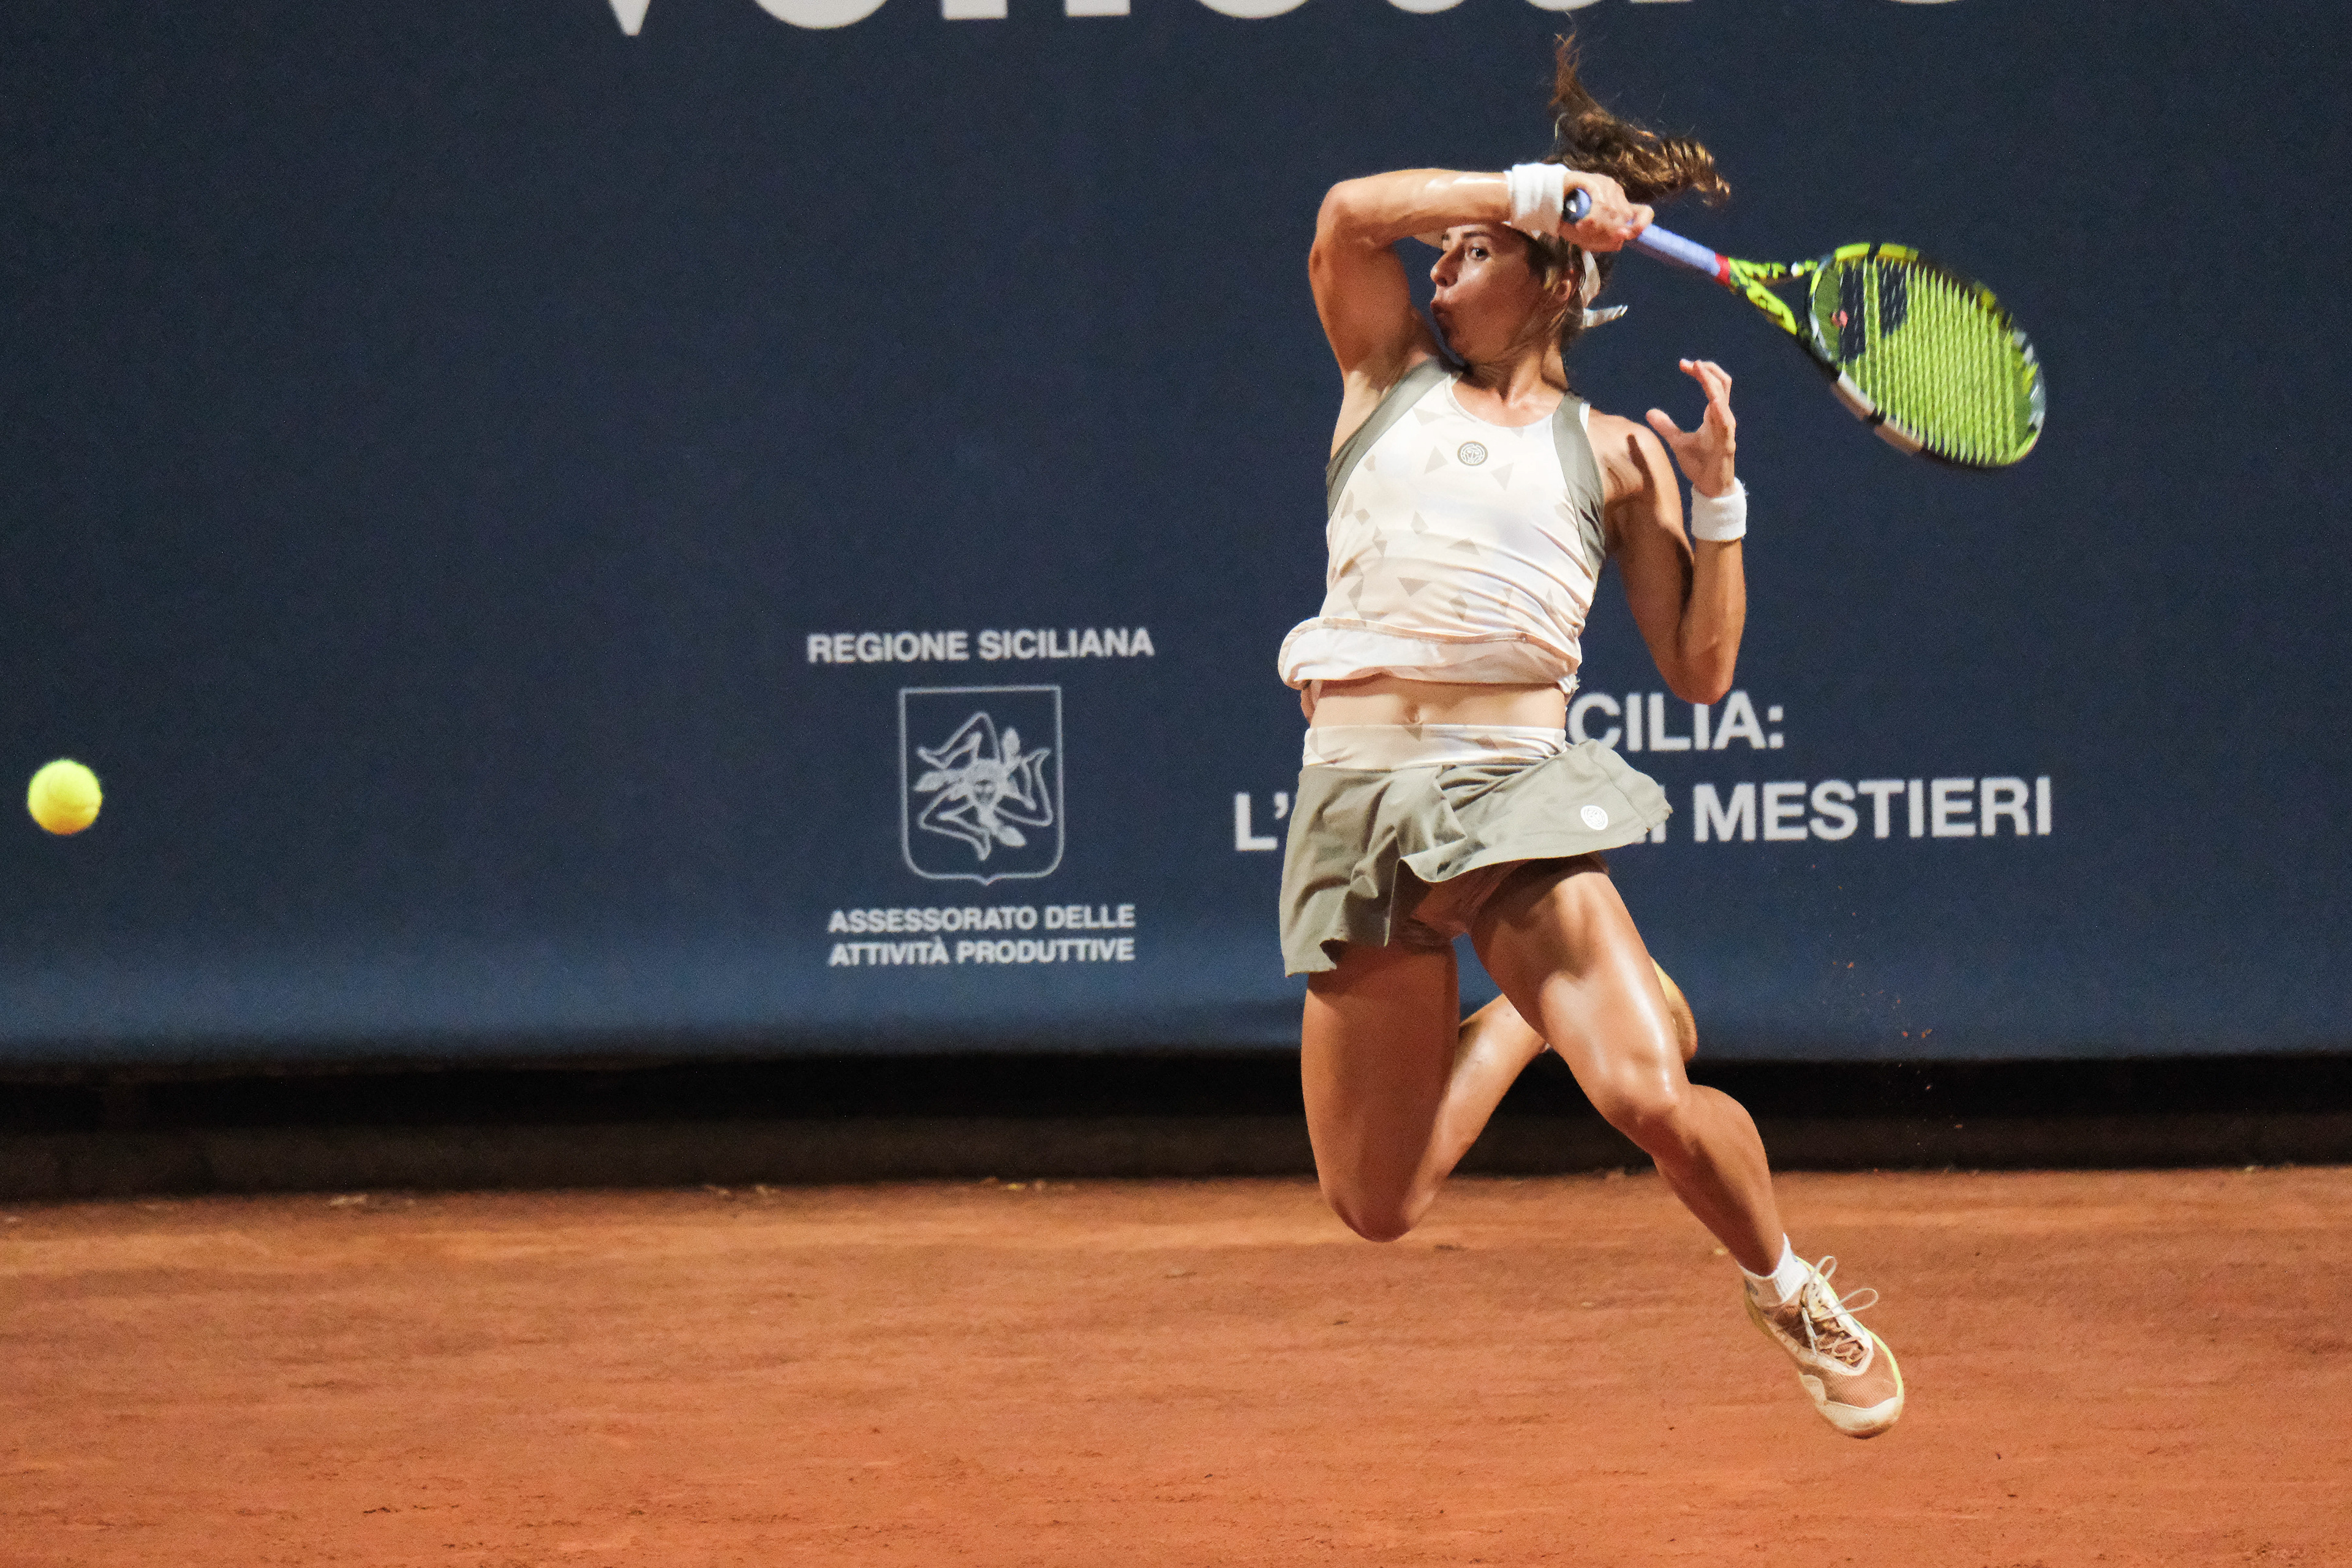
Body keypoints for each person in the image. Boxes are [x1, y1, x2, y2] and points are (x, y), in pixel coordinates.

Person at [1279, 36, 1902, 1438]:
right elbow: (1343, 216)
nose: (1437, 265)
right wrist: (1519, 187)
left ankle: (1791, 1283)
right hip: (1355, 794)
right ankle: (1517, 1029)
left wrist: (1721, 498)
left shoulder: (1618, 454)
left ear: (1555, 276)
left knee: (1653, 1097)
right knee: (1378, 1205)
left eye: (1473, 249)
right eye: (1439, 252)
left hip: (1510, 797)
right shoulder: (1385, 377)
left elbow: (1698, 668)